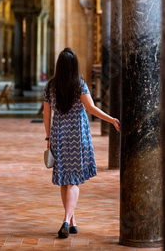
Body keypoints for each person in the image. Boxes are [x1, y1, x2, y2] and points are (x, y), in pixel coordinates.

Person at [43, 47, 120, 239]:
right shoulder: (80, 85)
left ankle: (72, 222)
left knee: (64, 179)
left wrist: (48, 138)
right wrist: (111, 119)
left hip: (58, 136)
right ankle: (65, 220)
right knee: (74, 180)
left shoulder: (50, 87)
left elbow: (46, 116)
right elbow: (91, 108)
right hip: (77, 137)